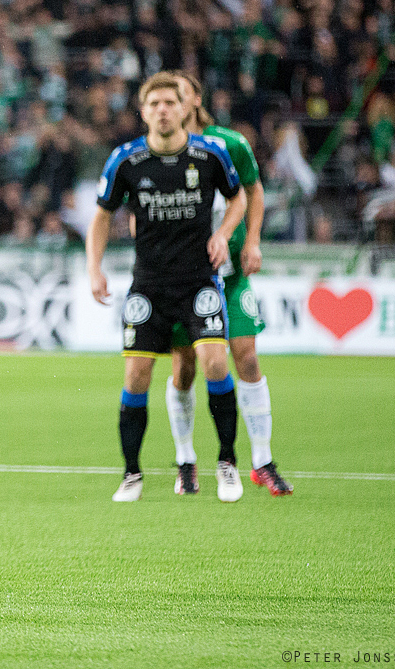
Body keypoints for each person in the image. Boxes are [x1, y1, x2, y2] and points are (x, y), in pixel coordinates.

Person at [85, 73, 248, 503]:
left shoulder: (210, 154)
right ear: (143, 112)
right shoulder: (126, 161)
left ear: (184, 108)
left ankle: (227, 463)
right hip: (149, 285)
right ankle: (131, 474)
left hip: (199, 282)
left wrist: (224, 234)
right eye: (154, 103)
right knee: (136, 375)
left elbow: (239, 197)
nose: (162, 110)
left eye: (169, 103)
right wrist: (94, 268)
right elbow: (101, 215)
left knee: (215, 363)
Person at [166, 72, 293, 497]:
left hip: (231, 276)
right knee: (185, 368)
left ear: (195, 100)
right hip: (184, 280)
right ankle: (186, 460)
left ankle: (262, 461)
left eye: (179, 95)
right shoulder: (158, 152)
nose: (169, 104)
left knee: (247, 358)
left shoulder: (230, 143)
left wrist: (252, 240)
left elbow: (253, 192)